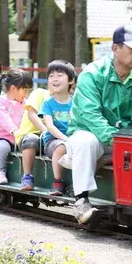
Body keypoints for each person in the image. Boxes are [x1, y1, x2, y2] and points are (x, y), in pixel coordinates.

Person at [67, 25, 132, 224]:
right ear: (115, 49)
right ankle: (81, 200)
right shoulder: (92, 74)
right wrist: (119, 142)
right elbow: (91, 116)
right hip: (92, 135)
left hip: (123, 140)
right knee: (85, 142)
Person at [40, 60, 77, 196]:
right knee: (61, 146)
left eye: (60, 75)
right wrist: (66, 139)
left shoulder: (76, 101)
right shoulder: (48, 103)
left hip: (73, 138)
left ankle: (78, 184)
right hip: (53, 140)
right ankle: (57, 181)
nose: (55, 79)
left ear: (71, 80)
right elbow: (49, 126)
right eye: (51, 76)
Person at [0, 69, 33, 184]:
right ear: (14, 88)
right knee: (2, 147)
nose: (26, 94)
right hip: (5, 136)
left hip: (21, 137)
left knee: (30, 146)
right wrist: (14, 130)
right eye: (24, 90)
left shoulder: (25, 102)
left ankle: (27, 175)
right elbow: (5, 119)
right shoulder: (1, 101)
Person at [13, 85, 50, 191]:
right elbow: (32, 115)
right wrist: (47, 132)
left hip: (49, 138)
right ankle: (27, 177)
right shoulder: (40, 93)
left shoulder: (67, 99)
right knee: (32, 139)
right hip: (30, 135)